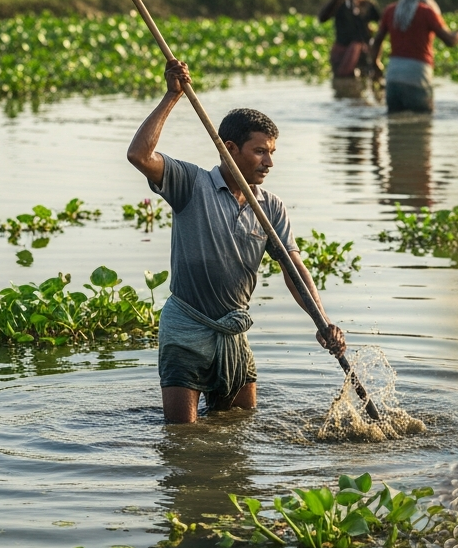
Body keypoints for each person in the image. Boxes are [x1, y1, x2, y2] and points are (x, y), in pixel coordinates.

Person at [127, 59, 347, 424]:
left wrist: (322, 322)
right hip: (187, 328)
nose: (268, 162)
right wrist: (171, 96)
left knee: (240, 428)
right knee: (182, 437)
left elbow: (294, 270)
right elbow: (139, 156)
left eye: (272, 152)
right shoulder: (191, 183)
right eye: (260, 151)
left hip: (233, 331)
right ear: (229, 148)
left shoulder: (270, 207)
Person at [369, 0, 458, 113]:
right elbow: (450, 41)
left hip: (393, 76)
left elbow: (377, 41)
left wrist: (375, 63)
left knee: (395, 127)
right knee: (423, 124)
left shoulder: (391, 10)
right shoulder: (427, 12)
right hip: (417, 75)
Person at [318, 0, 380, 78]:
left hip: (363, 51)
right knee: (343, 78)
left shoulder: (368, 5)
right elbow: (322, 18)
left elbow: (382, 24)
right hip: (343, 50)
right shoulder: (340, 5)